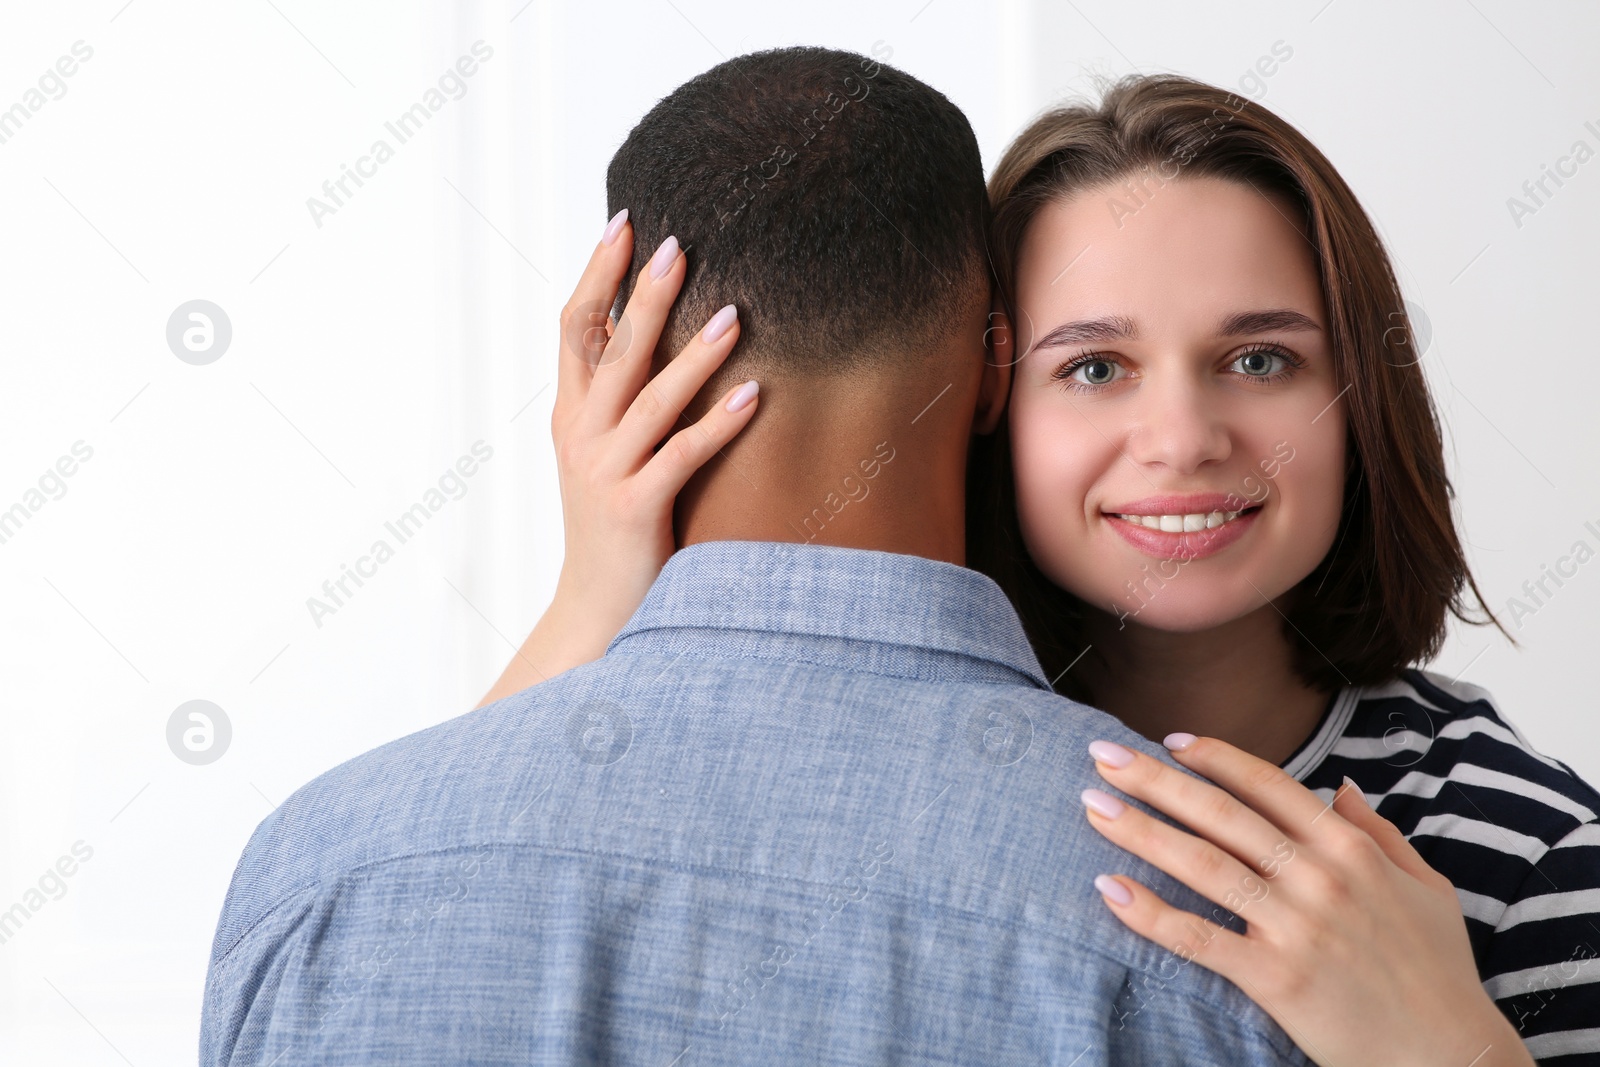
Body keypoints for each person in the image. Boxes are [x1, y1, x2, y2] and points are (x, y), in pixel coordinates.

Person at [199, 49, 1309, 1065]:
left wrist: (590, 594)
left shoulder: (318, 877)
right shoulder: (1221, 913)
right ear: (991, 367)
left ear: (626, 365)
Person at [504, 73, 1600, 1065]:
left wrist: (1445, 1049)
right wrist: (600, 584)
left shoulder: (1531, 845)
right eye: (1093, 366)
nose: (1180, 438)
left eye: (1258, 359)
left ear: (1357, 395)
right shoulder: (870, 758)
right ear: (984, 396)